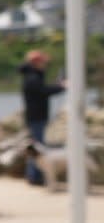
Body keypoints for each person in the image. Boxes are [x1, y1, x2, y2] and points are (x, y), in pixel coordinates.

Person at [20, 49, 66, 185]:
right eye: (43, 62)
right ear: (36, 63)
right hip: (36, 117)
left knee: (35, 147)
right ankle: (35, 177)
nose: (45, 64)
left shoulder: (33, 75)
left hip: (35, 117)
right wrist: (61, 87)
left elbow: (43, 90)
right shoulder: (32, 77)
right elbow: (42, 91)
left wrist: (58, 85)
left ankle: (33, 176)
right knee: (38, 148)